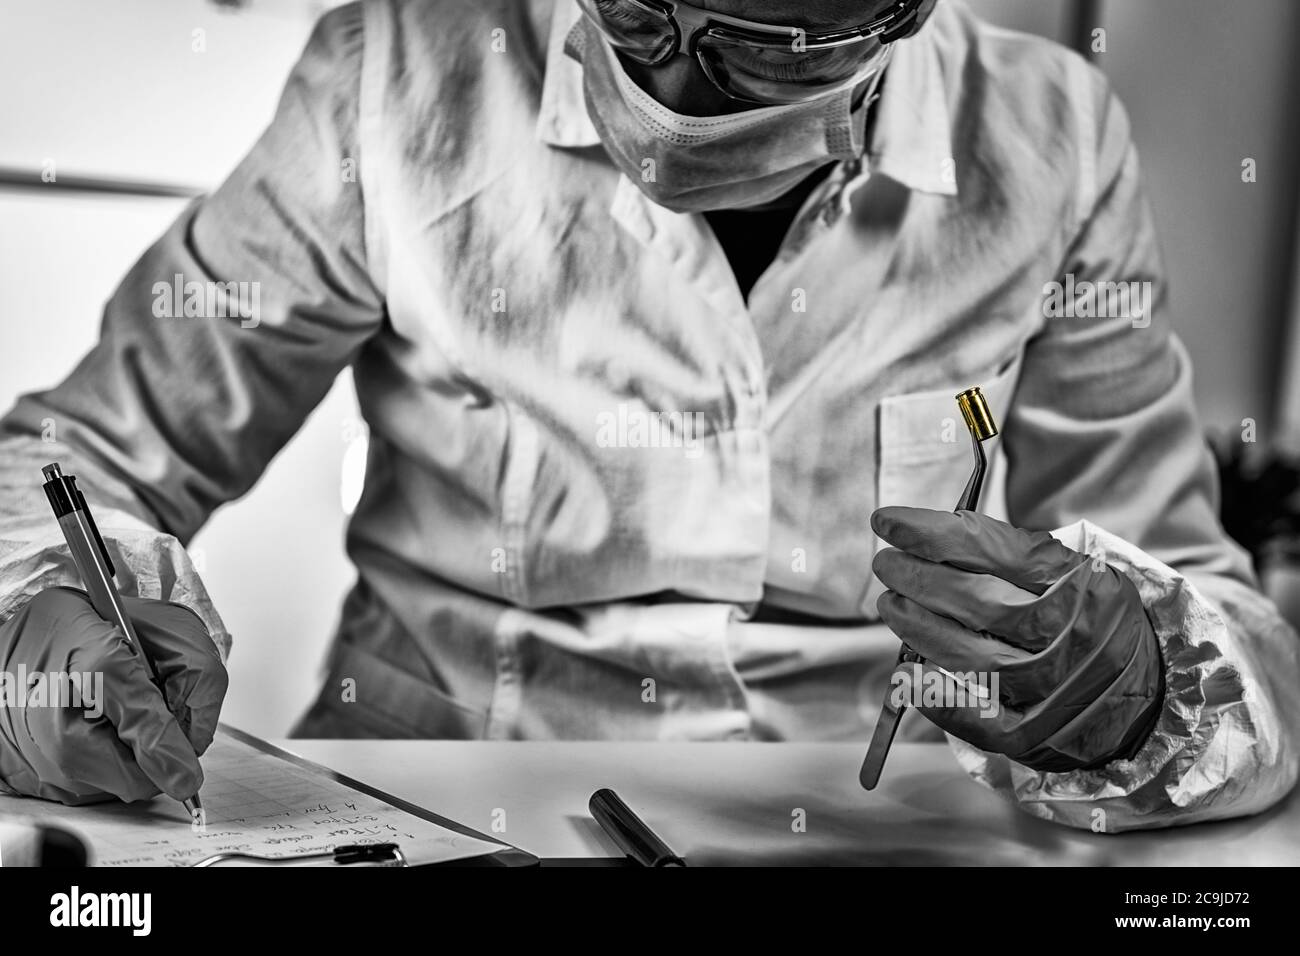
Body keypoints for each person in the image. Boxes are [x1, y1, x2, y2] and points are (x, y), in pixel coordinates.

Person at [0, 0, 1295, 831]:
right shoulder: (393, 75)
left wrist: (1141, 687)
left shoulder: (1049, 135)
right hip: (430, 803)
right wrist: (40, 621)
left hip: (864, 825)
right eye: (635, 10)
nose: (676, 87)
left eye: (767, 35)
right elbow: (87, 453)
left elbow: (1205, 601)